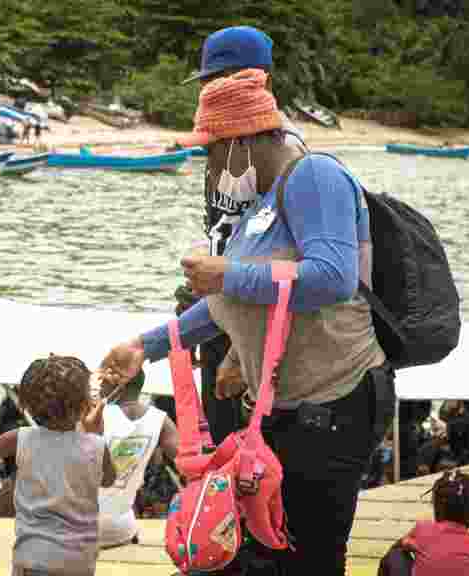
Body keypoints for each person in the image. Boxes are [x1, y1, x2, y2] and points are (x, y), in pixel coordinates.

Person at [101, 25, 392, 576]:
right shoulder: (257, 204)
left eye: (211, 154)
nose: (211, 171)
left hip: (334, 403)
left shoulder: (315, 178)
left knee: (309, 555)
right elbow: (225, 304)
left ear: (239, 141)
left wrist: (229, 273)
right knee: (267, 547)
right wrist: (147, 346)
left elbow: (332, 278)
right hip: (286, 408)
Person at [171, 27, 306, 449]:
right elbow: (227, 235)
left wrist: (237, 351)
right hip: (221, 321)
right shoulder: (224, 144)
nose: (209, 90)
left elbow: (291, 264)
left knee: (250, 466)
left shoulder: (284, 155)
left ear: (254, 79)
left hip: (252, 343)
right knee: (223, 462)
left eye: (218, 79)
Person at [0, 355, 117, 576]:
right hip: (80, 559)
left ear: (27, 406)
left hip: (34, 556)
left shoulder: (22, 438)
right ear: (85, 405)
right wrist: (94, 435)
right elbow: (109, 479)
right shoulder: (95, 446)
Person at [96, 369, 178, 549]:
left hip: (83, 531)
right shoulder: (160, 420)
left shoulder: (97, 416)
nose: (100, 381)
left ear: (121, 382)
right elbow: (186, 461)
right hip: (122, 530)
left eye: (105, 377)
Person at [399, 470, 469, 576]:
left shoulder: (422, 529)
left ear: (437, 507)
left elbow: (401, 545)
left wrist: (407, 544)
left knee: (395, 555)